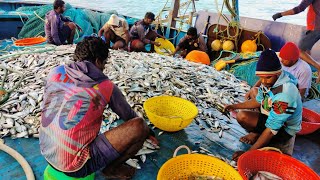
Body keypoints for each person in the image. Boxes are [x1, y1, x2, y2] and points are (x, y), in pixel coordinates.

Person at [39, 37, 156, 179]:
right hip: (75, 167)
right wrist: (149, 133)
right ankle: (112, 170)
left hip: (45, 151)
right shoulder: (106, 86)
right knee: (140, 126)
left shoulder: (55, 71)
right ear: (98, 61)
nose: (103, 68)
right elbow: (130, 117)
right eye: (104, 63)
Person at [225, 49, 302, 160]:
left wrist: (248, 154)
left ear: (277, 74)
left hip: (285, 129)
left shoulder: (285, 95)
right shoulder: (269, 82)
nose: (264, 81)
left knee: (269, 145)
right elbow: (258, 101)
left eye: (268, 77)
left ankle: (260, 137)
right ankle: (257, 134)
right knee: (241, 115)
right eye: (261, 77)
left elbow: (271, 130)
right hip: (271, 116)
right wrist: (235, 106)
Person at [272, 0, 320, 83]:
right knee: (306, 51)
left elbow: (299, 9)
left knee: (299, 51)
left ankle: (318, 67)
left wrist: (280, 14)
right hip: (315, 27)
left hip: (315, 28)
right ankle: (308, 76)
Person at [246, 42, 312, 100]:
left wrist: (290, 103)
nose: (282, 60)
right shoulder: (280, 60)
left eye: (285, 59)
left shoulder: (304, 69)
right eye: (281, 58)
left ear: (294, 60)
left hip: (292, 96)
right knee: (254, 91)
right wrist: (252, 89)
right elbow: (266, 76)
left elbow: (301, 93)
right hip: (277, 90)